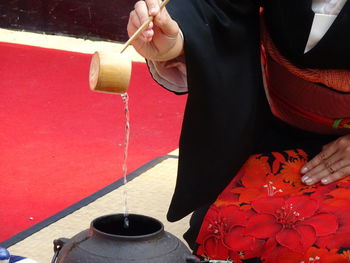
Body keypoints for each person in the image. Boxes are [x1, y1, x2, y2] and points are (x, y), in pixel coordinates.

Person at [127, 0, 350, 262]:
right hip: (272, 121)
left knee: (327, 246)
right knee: (228, 230)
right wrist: (173, 39)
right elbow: (215, 7)